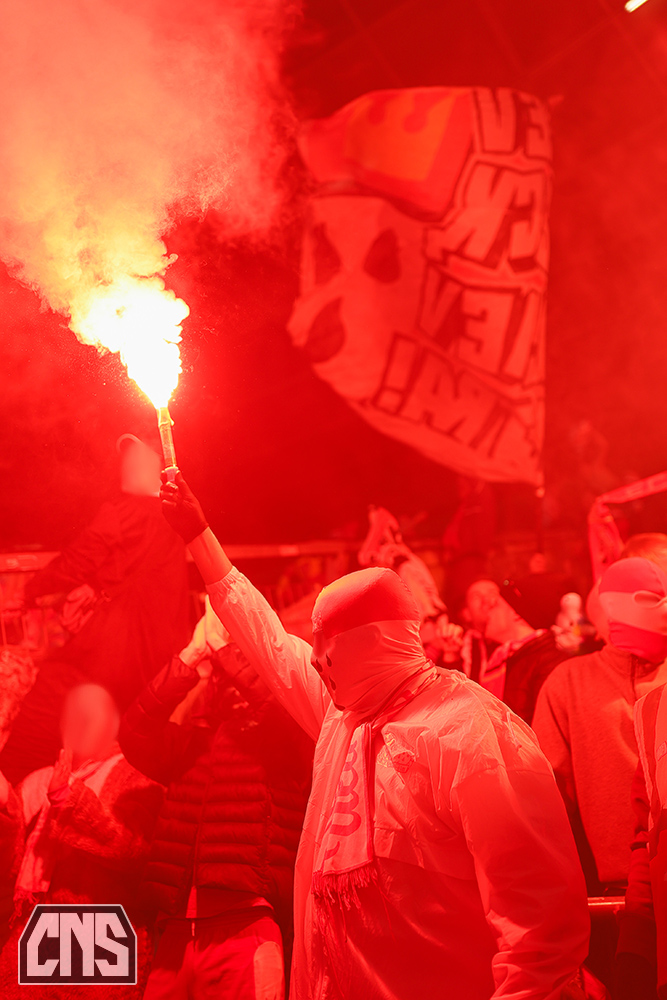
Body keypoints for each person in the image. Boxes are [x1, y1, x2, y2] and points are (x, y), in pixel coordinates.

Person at [159, 472, 589, 1000]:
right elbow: (270, 645)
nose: (317, 663)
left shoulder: (470, 732)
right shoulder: (345, 720)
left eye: (329, 652)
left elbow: (538, 922)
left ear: (371, 647)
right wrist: (200, 537)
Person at [119, 607, 313, 1000]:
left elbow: (283, 713)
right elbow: (134, 734)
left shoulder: (288, 739)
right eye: (223, 678)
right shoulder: (194, 743)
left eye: (239, 673)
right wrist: (191, 655)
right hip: (175, 932)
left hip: (246, 928)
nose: (229, 686)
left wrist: (228, 648)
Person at [0, 435, 190, 783]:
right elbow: (132, 574)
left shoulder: (124, 511)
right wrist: (98, 588)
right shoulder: (174, 521)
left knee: (23, 751)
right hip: (151, 675)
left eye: (136, 455)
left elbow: (79, 559)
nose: (126, 463)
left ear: (158, 466)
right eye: (124, 456)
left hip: (101, 666)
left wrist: (24, 594)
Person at [0, 683, 163, 998]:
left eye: (90, 717)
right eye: (71, 718)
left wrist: (70, 801)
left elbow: (134, 851)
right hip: (42, 927)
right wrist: (7, 807)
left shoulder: (135, 777)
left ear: (113, 723)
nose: (78, 726)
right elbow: (10, 870)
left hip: (103, 928)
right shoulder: (40, 782)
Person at [533, 557, 667, 893]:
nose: (664, 608)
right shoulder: (569, 683)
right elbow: (548, 793)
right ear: (611, 606)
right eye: (650, 598)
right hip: (608, 886)